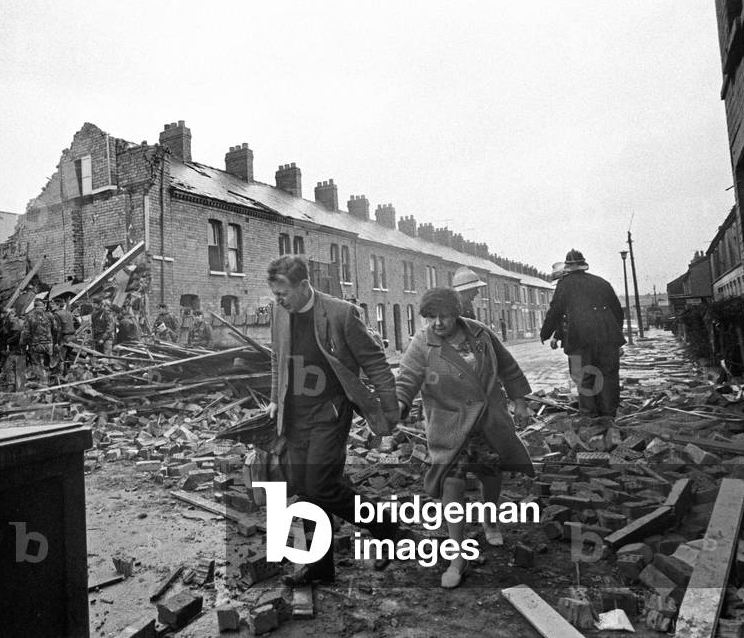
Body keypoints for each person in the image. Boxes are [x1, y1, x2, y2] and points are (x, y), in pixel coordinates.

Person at [264, 255, 406, 587]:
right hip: (293, 414)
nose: (278, 300)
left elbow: (375, 364)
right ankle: (321, 568)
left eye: (283, 293)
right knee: (305, 488)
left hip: (330, 414)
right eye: (274, 294)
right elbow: (277, 357)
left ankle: (384, 527)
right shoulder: (278, 313)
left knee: (320, 485)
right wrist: (274, 398)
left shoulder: (341, 314)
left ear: (303, 286)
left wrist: (389, 411)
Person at [395, 287, 533, 589]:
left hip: (486, 419)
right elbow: (406, 378)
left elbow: (508, 366)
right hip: (449, 422)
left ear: (456, 313)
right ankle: (457, 556)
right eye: (431, 317)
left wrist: (519, 400)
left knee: (490, 474)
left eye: (443, 316)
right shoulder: (422, 343)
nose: (438, 323)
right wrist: (400, 404)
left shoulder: (480, 335)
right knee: (451, 483)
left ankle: (490, 518)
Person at [540, 250, 624, 417]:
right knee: (608, 376)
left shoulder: (565, 284)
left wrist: (545, 332)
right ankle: (608, 414)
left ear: (567, 267)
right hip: (608, 339)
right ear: (583, 265)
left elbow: (556, 311)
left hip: (578, 340)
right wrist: (616, 336)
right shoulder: (602, 282)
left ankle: (589, 416)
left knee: (583, 377)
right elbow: (618, 312)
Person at [22, 298, 57, 385]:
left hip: (36, 345)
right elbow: (55, 329)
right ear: (43, 306)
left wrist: (23, 344)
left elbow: (26, 333)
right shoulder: (49, 315)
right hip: (48, 344)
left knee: (37, 364)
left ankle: (43, 382)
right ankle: (47, 381)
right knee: (47, 363)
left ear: (34, 306)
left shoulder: (29, 316)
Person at [52, 297, 79, 371]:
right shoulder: (68, 312)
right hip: (72, 337)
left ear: (57, 305)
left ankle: (61, 375)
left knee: (61, 359)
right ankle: (69, 373)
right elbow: (78, 323)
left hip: (63, 339)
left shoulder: (56, 314)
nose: (51, 306)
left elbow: (58, 330)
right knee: (69, 357)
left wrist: (57, 342)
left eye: (53, 304)